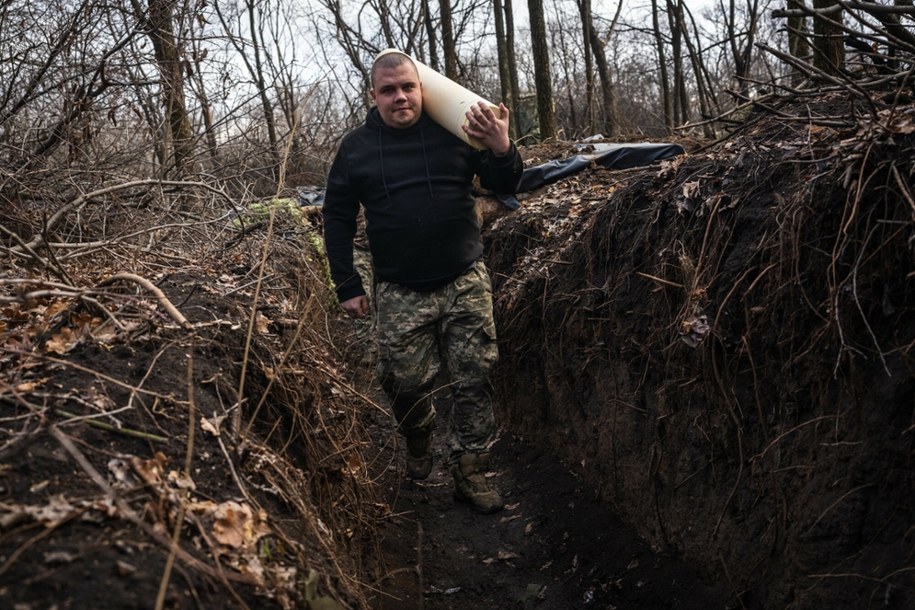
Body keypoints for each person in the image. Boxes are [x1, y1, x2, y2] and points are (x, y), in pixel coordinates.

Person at [322, 51, 523, 514]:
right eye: (388, 90)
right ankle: (419, 432)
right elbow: (336, 218)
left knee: (475, 377)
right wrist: (347, 283)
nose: (400, 97)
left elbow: (505, 181)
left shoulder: (454, 130)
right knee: (401, 380)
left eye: (407, 87)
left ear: (421, 89)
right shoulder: (355, 150)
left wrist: (500, 146)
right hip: (400, 287)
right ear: (372, 96)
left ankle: (470, 472)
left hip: (464, 277)